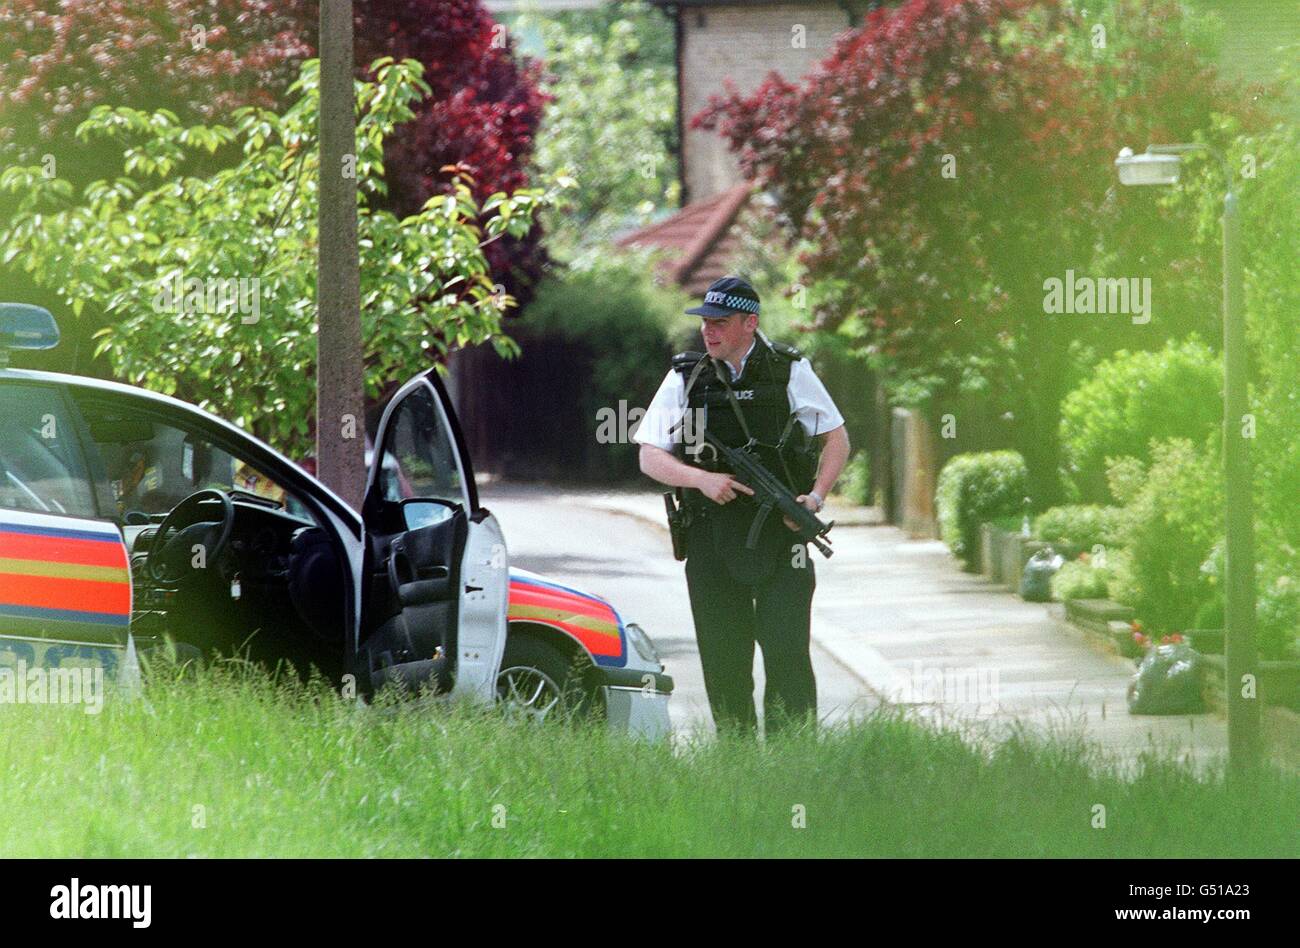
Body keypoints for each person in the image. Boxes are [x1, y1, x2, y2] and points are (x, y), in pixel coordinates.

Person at [635, 276, 850, 736]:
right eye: (705, 323)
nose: (708, 332)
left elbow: (836, 439)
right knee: (724, 660)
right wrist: (701, 479)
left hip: (782, 535)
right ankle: (738, 761)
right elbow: (650, 454)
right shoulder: (686, 376)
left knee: (788, 656)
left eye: (720, 323)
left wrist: (814, 497)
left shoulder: (789, 370)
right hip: (711, 537)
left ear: (749, 324)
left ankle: (792, 764)